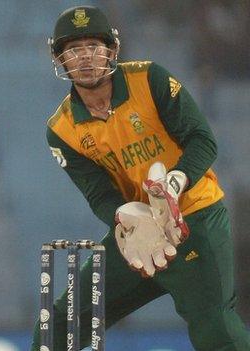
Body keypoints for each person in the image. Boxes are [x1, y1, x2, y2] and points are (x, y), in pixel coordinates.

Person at [31, 5, 250, 351]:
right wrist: (124, 215)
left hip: (195, 218)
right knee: (62, 323)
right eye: (73, 49)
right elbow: (98, 193)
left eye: (93, 46)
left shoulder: (150, 79)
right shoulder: (62, 130)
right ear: (59, 58)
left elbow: (202, 140)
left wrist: (176, 182)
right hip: (138, 234)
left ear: (112, 50)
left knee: (216, 329)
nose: (85, 57)